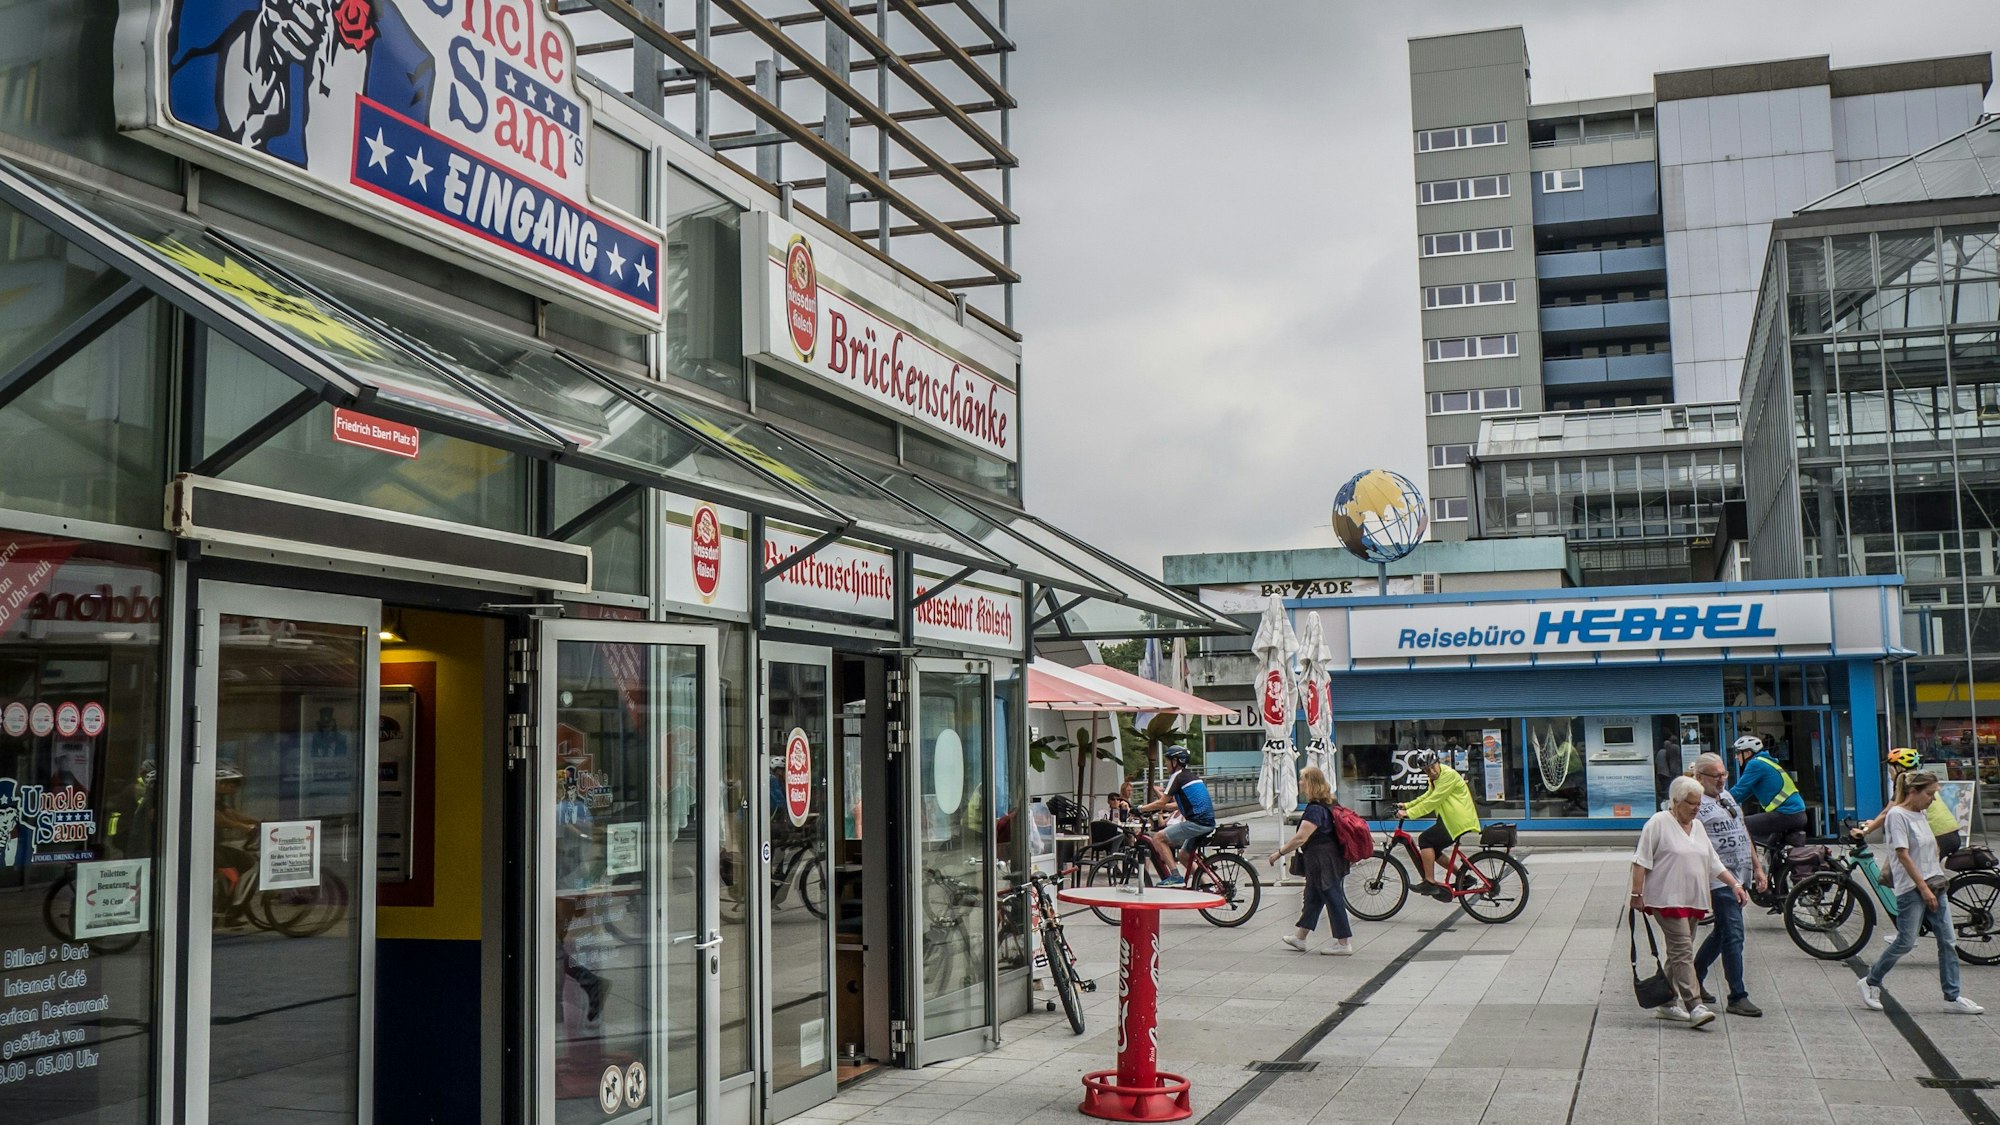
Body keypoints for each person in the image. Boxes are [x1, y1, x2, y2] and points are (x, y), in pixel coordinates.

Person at [1858, 771, 1985, 1015]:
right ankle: (1870, 981)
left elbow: (1929, 847)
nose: (1933, 799)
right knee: (1905, 941)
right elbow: (1903, 854)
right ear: (1913, 792)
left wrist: (1934, 878)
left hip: (1934, 884)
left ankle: (1952, 996)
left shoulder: (1921, 812)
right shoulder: (1897, 815)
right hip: (1912, 888)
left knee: (1948, 940)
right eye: (1930, 793)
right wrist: (1924, 888)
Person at [1631, 776, 1750, 1029]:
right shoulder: (1658, 823)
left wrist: (1735, 884)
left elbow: (1714, 861)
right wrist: (1636, 894)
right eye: (1691, 803)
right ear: (1675, 801)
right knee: (1683, 950)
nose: (1696, 808)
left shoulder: (1697, 827)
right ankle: (1694, 1004)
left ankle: (1666, 1002)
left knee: (1679, 953)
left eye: (1698, 802)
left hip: (1694, 898)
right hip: (1667, 899)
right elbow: (1640, 860)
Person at [1690, 753, 1767, 1017]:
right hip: (1719, 879)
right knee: (1734, 933)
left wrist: (1757, 867)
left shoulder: (1727, 797)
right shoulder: (1695, 804)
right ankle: (1737, 995)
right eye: (1716, 776)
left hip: (1740, 875)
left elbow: (1742, 830)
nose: (1722, 780)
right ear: (1700, 778)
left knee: (1722, 932)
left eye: (1724, 774)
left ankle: (1693, 979)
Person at [1267, 766, 1353, 955]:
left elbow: (1300, 838)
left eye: (1302, 779)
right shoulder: (1330, 803)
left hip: (1323, 860)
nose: (1299, 783)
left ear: (1310, 783)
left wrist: (1278, 853)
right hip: (1327, 858)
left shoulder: (1315, 809)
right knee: (1313, 897)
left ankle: (1343, 943)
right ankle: (1300, 938)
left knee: (1332, 897)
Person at [1397, 748, 1479, 901]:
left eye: (1432, 767)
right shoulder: (1436, 778)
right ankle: (1463, 877)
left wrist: (1410, 813)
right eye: (1427, 770)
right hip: (1450, 819)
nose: (1431, 771)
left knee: (1425, 840)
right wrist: (1407, 805)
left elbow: (1434, 801)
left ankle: (1429, 882)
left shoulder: (1448, 775)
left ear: (1438, 762)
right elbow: (1428, 796)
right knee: (1432, 849)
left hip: (1457, 820)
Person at [1854, 748, 1961, 858]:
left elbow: (1886, 813)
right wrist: (1873, 823)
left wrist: (1865, 832)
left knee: (1912, 870)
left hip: (1938, 836)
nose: (1889, 772)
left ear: (1898, 767)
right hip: (1951, 833)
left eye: (1890, 767)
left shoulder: (1908, 785)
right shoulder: (1920, 780)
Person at [1136, 747, 1214, 886]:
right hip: (1206, 823)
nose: (1165, 764)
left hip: (1197, 823)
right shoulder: (1191, 777)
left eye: (1167, 761)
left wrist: (1140, 808)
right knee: (1184, 855)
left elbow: (1162, 801)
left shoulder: (1177, 777)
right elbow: (1176, 805)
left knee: (1158, 838)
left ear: (1175, 761)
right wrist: (1161, 808)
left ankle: (1175, 876)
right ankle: (1205, 884)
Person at [1728, 734, 1807, 844]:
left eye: (1738, 752)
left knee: (1741, 825)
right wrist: (1727, 801)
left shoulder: (1755, 764)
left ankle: (1749, 859)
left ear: (1747, 753)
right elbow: (1743, 794)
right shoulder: (1765, 762)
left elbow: (1739, 790)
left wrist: (1718, 800)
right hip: (1795, 814)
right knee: (1772, 847)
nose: (1736, 757)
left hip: (1787, 813)